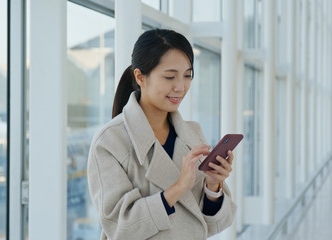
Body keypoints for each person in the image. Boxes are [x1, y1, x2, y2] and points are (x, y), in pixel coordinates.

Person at [87, 29, 237, 240]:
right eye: (169, 77)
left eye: (187, 75)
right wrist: (178, 188)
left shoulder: (192, 133)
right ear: (140, 77)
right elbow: (120, 227)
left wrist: (213, 185)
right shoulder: (110, 141)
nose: (180, 87)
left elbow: (212, 224)